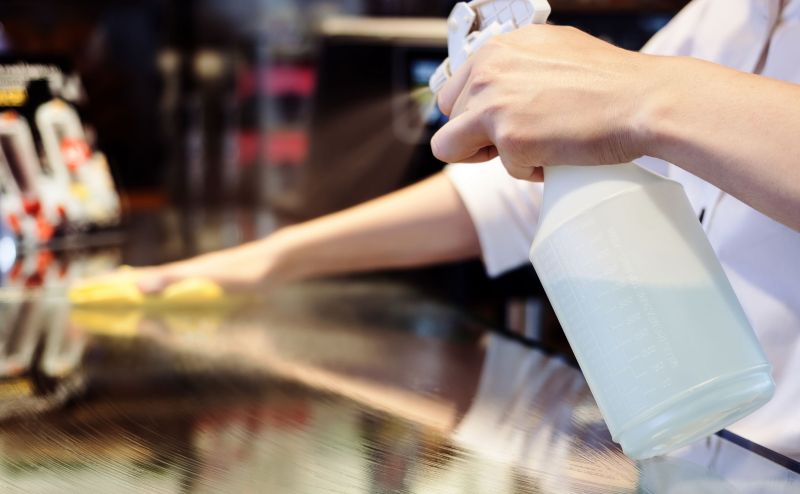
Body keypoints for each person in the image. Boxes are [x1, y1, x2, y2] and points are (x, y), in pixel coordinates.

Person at [130, 0, 800, 459]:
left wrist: (645, 94)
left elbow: (637, 113)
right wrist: (273, 259)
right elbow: (522, 194)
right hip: (705, 448)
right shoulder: (735, 12)